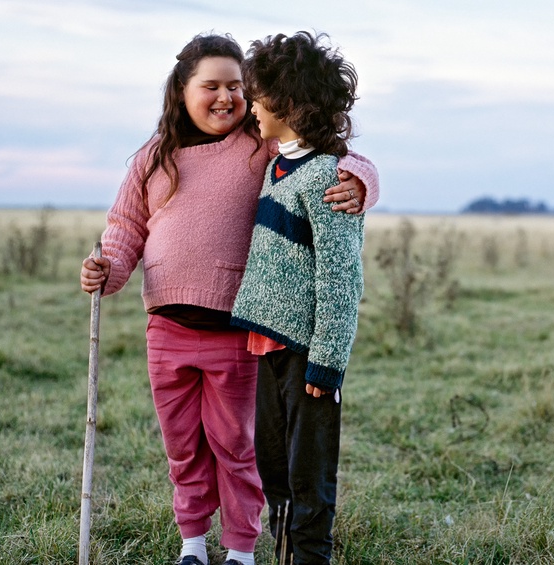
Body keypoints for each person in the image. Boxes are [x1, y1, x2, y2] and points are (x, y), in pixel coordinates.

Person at [78, 33, 378, 565]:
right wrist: (109, 268)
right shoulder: (154, 157)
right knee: (183, 447)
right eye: (210, 85)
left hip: (237, 332)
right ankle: (192, 543)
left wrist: (361, 181)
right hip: (166, 329)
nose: (226, 97)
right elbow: (127, 228)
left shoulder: (257, 143)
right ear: (181, 90)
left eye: (238, 87)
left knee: (237, 447)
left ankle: (241, 548)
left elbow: (332, 155)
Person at [229, 31, 365, 565]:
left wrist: (328, 362)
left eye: (258, 95)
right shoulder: (274, 165)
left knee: (309, 474)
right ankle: (283, 550)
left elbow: (340, 277)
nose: (250, 106)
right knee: (274, 466)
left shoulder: (326, 177)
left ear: (288, 102)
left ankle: (311, 557)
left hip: (308, 353)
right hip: (267, 345)